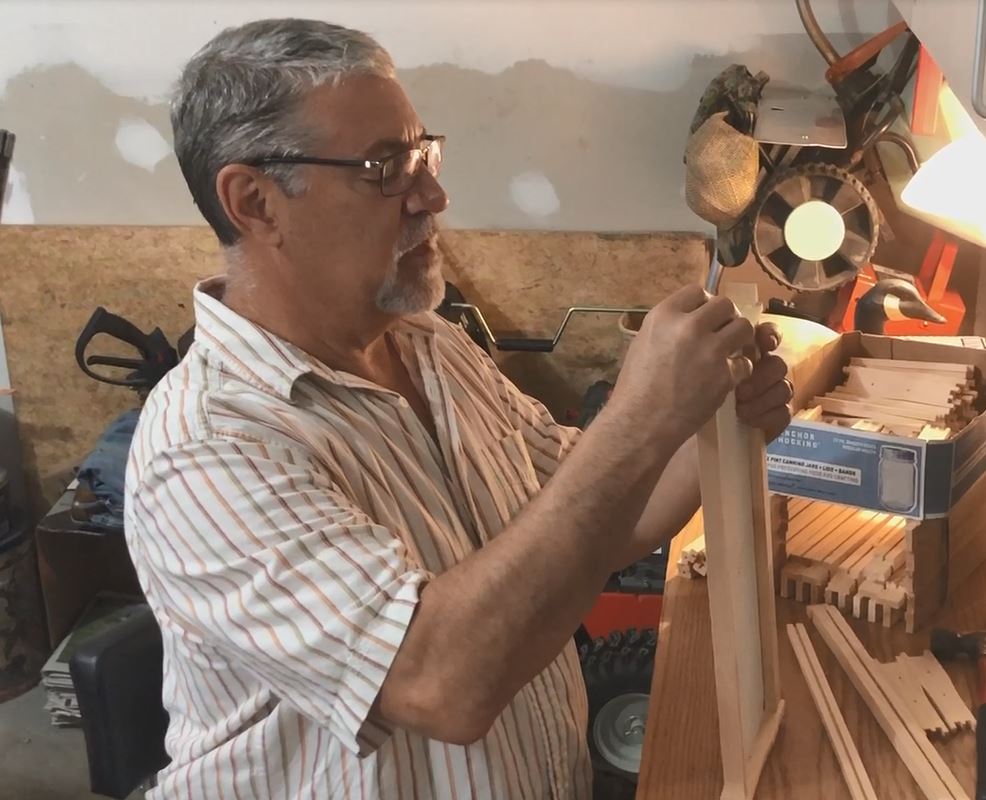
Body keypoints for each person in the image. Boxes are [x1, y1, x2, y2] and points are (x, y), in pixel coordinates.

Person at [124, 18, 792, 800]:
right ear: (255, 202)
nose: (432, 196)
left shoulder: (428, 346)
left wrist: (708, 425)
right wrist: (641, 419)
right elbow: (441, 683)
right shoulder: (205, 447)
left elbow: (601, 518)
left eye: (422, 156)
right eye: (384, 169)